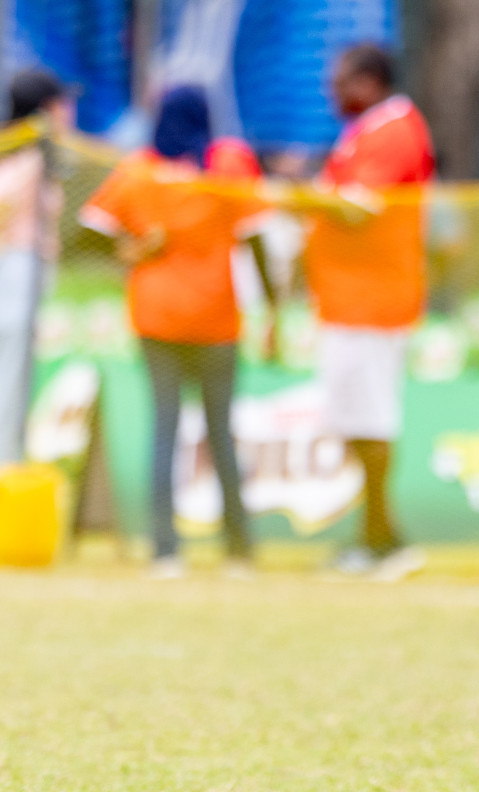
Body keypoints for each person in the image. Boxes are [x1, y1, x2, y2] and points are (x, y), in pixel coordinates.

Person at [79, 85, 272, 578]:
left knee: (164, 430)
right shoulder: (228, 165)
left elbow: (85, 231)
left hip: (157, 317)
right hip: (216, 317)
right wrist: (271, 305)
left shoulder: (139, 171)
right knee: (220, 432)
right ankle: (238, 549)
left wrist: (132, 249)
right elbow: (257, 241)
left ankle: (166, 550)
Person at [302, 43, 434, 579]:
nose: (332, 92)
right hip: (348, 300)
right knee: (355, 422)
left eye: (342, 81)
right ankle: (376, 536)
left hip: (374, 303)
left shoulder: (394, 131)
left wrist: (297, 198)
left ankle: (387, 542)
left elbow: (357, 208)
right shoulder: (365, 133)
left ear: (371, 82)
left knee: (372, 421)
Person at [0, 68, 72, 466]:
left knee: (17, 372)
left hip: (25, 267)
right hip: (14, 268)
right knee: (10, 372)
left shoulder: (37, 155)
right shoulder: (22, 155)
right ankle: (5, 465)